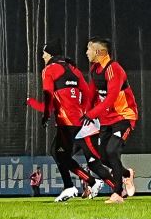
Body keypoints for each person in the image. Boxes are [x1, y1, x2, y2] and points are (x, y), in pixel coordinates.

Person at [27, 45, 98, 202]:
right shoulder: (74, 70)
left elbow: (48, 94)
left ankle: (87, 183)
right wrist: (84, 111)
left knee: (59, 154)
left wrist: (46, 115)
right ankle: (80, 184)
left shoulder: (49, 69)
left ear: (51, 54)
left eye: (44, 53)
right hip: (78, 121)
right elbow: (88, 94)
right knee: (60, 153)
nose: (43, 57)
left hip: (66, 121)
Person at [82, 37, 140, 202]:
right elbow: (92, 94)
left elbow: (110, 99)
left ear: (99, 52)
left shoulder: (114, 69)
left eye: (89, 49)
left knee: (112, 151)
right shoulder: (95, 69)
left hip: (124, 116)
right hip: (106, 120)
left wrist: (91, 114)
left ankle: (117, 193)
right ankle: (127, 174)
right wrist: (86, 112)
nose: (86, 52)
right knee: (103, 157)